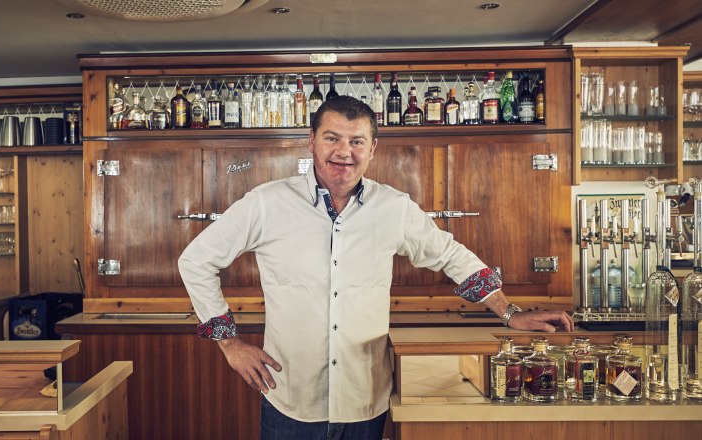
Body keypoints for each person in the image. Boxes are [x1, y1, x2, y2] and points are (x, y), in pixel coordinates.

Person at [178, 96, 573, 439]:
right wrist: (229, 345)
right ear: (311, 141)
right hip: (290, 398)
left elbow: (451, 255)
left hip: (365, 400)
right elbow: (195, 260)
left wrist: (509, 313)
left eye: (356, 141)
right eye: (332, 138)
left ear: (373, 149)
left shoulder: (394, 207)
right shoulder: (266, 203)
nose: (343, 151)